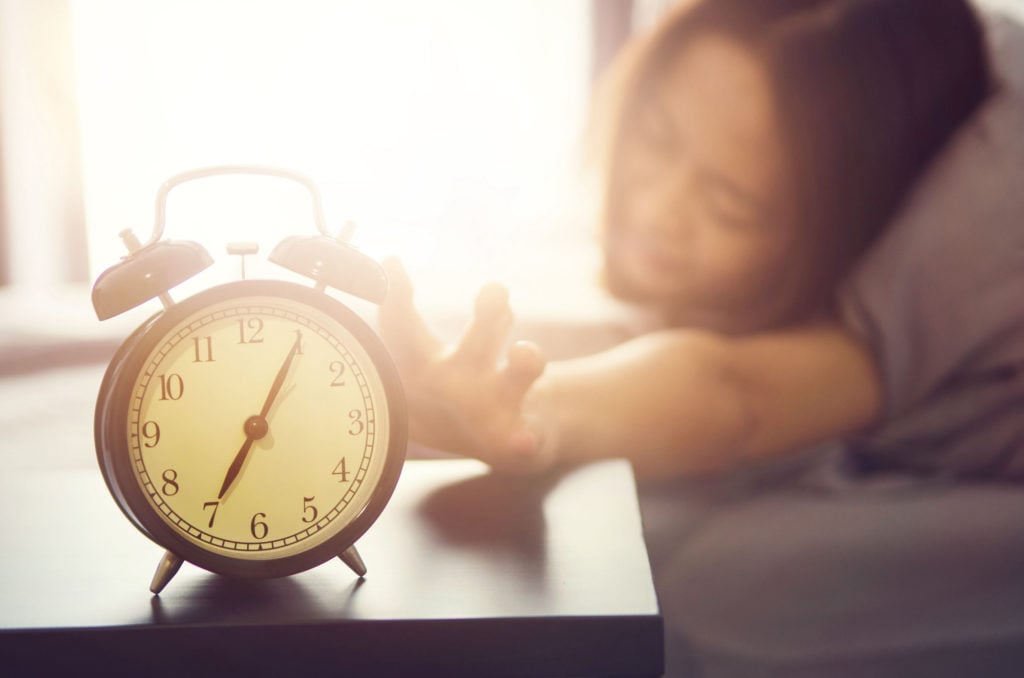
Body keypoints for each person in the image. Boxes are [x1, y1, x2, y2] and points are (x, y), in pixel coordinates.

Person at [378, 0, 1005, 482]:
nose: (657, 211)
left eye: (730, 203)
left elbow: (738, 398)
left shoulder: (971, 234)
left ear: (852, 230)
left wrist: (538, 407)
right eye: (657, 138)